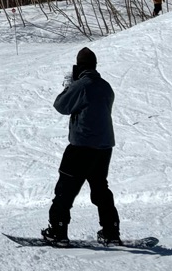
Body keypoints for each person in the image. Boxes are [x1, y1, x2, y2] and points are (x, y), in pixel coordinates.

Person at [42, 47, 120, 246]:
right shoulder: (106, 86)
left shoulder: (82, 85)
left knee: (65, 189)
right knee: (101, 189)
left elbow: (60, 105)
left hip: (82, 146)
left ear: (79, 66)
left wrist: (71, 85)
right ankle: (111, 231)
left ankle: (58, 231)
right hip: (104, 147)